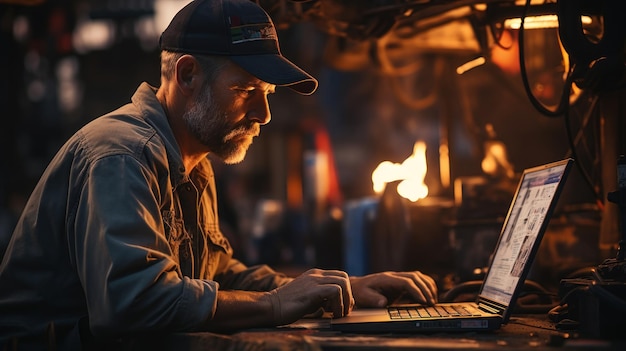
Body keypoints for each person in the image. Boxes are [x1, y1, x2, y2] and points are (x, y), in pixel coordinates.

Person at [0, 0, 437, 349]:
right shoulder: (122, 155)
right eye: (246, 91)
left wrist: (332, 290)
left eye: (265, 94)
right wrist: (272, 304)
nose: (264, 114)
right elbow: (133, 305)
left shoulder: (193, 161)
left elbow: (216, 275)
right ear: (187, 74)